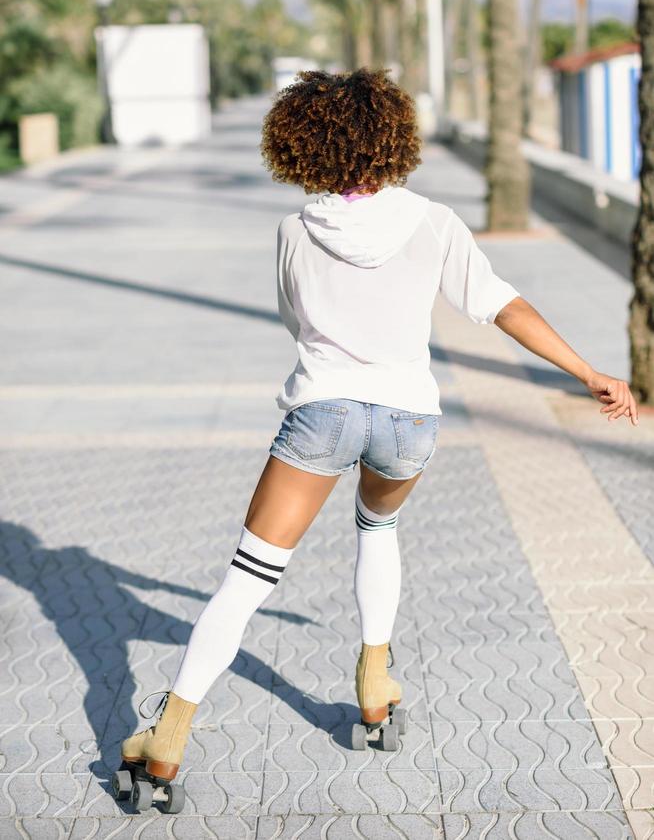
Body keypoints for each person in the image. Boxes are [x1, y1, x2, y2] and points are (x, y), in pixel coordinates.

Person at [118, 68, 639, 788]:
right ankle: (373, 681)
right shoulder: (432, 221)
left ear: (299, 144)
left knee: (247, 578)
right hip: (408, 419)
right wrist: (589, 374)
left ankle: (169, 733)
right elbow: (501, 305)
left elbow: (295, 321)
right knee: (377, 530)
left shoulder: (294, 230)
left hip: (322, 413)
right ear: (392, 137)